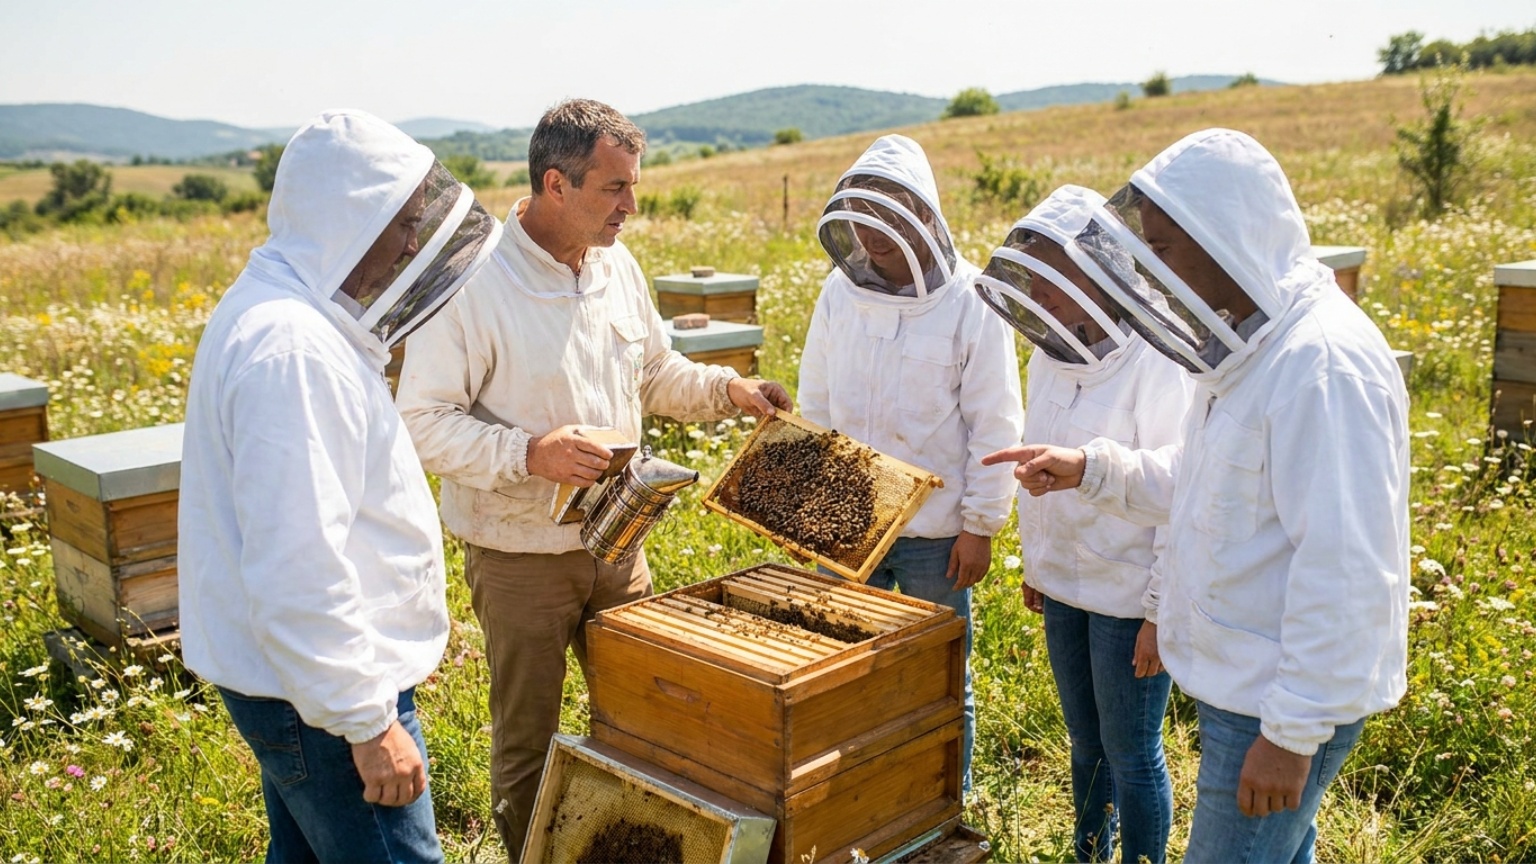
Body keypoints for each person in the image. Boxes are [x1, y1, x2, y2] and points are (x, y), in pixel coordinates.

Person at [983, 128, 1410, 864]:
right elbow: (1201, 480)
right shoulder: (1254, 351)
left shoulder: (1321, 367)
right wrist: (1089, 468)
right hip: (1247, 688)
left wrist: (1291, 734)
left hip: (1273, 705)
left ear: (1223, 238)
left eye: (1163, 248)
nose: (1151, 269)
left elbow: (1345, 569)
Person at [394, 98, 792, 859]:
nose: (631, 207)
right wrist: (529, 453)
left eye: (633, 186)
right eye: (615, 188)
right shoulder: (473, 284)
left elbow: (655, 370)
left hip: (620, 540)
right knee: (529, 739)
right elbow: (420, 421)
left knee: (653, 719)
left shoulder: (615, 265)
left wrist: (729, 390)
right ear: (556, 184)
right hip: (521, 557)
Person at [178, 109, 503, 863]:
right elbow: (297, 564)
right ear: (349, 221)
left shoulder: (285, 315)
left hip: (303, 685)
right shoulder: (292, 351)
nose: (415, 245)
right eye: (405, 224)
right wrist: (368, 722)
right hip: (325, 702)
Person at [974, 184, 1192, 862]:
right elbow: (1038, 463)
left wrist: (1159, 612)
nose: (1041, 292)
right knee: (1085, 744)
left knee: (1132, 752)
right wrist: (1039, 566)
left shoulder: (1159, 359)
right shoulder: (1050, 354)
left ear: (1095, 270)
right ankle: (1089, 852)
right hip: (1066, 589)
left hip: (1130, 599)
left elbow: (1179, 492)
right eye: (1033, 274)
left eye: (1053, 274)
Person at [801, 133, 1024, 790]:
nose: (872, 233)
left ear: (923, 214)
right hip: (848, 523)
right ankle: (859, 798)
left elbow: (995, 422)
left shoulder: (970, 301)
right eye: (862, 215)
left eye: (888, 214)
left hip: (936, 535)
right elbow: (816, 402)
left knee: (941, 677)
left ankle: (945, 803)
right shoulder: (839, 292)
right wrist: (809, 507)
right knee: (839, 667)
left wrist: (981, 525)